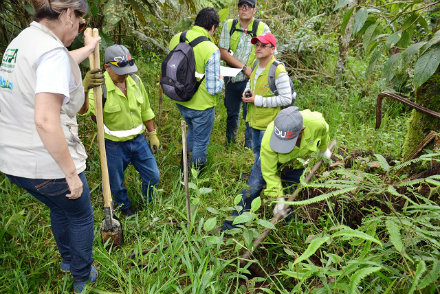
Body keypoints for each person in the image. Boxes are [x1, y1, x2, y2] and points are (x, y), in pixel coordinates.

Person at [0, 0, 100, 292]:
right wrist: (70, 173)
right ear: (69, 14)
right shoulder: (52, 53)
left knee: (60, 207)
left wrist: (90, 48)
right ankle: (82, 278)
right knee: (80, 215)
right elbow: (45, 119)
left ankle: (67, 260)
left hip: (13, 161)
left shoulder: (24, 41)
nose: (78, 30)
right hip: (45, 162)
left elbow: (59, 61)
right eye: (79, 23)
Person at [223, 106, 332, 230]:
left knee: (290, 192)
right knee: (252, 188)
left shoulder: (316, 123)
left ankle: (284, 227)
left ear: (302, 130)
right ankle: (230, 227)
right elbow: (269, 172)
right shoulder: (269, 138)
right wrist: (277, 197)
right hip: (270, 160)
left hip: (297, 161)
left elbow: (324, 131)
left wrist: (323, 149)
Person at [83, 44, 160, 217]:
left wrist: (152, 133)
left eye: (128, 69)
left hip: (139, 141)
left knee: (153, 175)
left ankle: (149, 202)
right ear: (107, 67)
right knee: (115, 183)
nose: (125, 74)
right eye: (121, 71)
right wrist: (84, 89)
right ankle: (125, 208)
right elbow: (84, 112)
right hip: (113, 145)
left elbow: (146, 110)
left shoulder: (135, 81)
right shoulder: (99, 88)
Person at [168, 7, 224, 170]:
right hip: (202, 106)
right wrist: (221, 79)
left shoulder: (177, 38)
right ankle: (196, 175)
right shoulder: (210, 49)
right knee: (200, 141)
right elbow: (213, 88)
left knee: (192, 130)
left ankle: (184, 166)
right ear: (212, 27)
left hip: (180, 98)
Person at [219, 0, 275, 147]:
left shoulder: (262, 28)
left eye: (248, 6)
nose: (244, 9)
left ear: (254, 10)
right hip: (232, 78)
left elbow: (271, 52)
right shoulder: (230, 25)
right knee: (232, 112)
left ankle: (249, 146)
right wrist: (244, 67)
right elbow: (223, 52)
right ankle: (230, 144)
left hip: (252, 80)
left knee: (250, 114)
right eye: (241, 6)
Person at [242, 32, 294, 169]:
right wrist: (246, 91)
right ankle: (262, 181)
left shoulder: (278, 70)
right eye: (257, 45)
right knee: (257, 154)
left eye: (264, 45)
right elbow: (251, 82)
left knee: (266, 158)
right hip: (254, 121)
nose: (259, 48)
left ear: (272, 49)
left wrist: (258, 100)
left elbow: (286, 98)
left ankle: (258, 185)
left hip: (269, 124)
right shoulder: (255, 64)